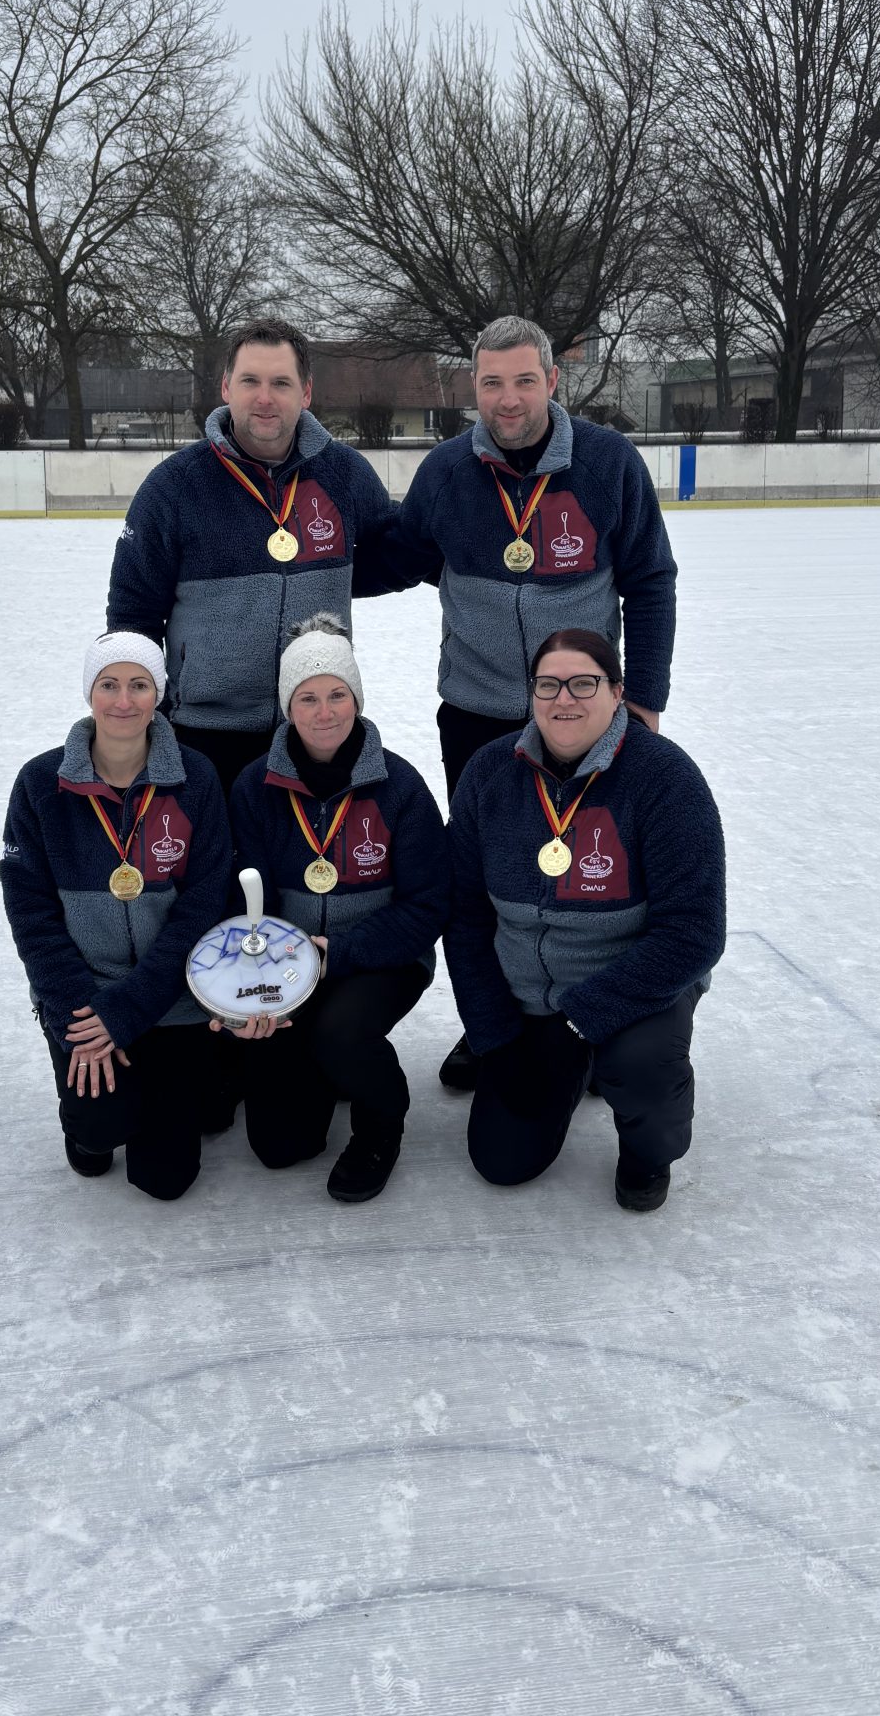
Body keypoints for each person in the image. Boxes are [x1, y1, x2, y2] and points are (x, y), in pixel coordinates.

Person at [391, 315, 679, 1092]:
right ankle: (492, 1025)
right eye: (492, 382)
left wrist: (644, 699)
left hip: (586, 714)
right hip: (478, 715)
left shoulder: (608, 463)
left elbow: (650, 580)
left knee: (599, 875)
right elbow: (397, 554)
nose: (508, 398)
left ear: (554, 381)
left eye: (524, 380)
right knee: (488, 882)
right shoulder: (448, 473)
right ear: (472, 387)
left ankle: (599, 1017)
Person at [444, 629, 724, 1213]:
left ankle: (648, 1152)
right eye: (548, 684)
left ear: (618, 693)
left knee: (642, 1068)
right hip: (528, 997)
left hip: (632, 985)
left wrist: (580, 1022)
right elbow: (465, 917)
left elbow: (694, 932)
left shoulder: (665, 778)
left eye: (583, 683)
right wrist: (495, 1034)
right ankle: (572, 1070)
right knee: (502, 1161)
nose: (563, 698)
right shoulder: (489, 773)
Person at [106, 318, 405, 798]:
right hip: (204, 736)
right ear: (226, 386)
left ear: (306, 392)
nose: (265, 398)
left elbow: (394, 554)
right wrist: (145, 720)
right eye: (250, 381)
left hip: (316, 729)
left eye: (281, 383)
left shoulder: (344, 474)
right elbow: (132, 616)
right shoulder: (175, 487)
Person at [223, 615, 448, 1202]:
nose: (325, 713)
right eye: (308, 698)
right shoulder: (254, 788)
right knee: (280, 1147)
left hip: (381, 959)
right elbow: (245, 897)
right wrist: (266, 975)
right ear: (287, 708)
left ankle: (381, 1119)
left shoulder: (400, 786)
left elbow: (429, 905)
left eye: (337, 695)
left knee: (342, 1032)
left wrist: (340, 951)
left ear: (357, 698)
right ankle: (321, 1070)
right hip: (288, 967)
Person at [0, 632, 232, 1199]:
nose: (123, 701)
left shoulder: (195, 779)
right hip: (83, 998)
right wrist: (82, 1012)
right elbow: (31, 914)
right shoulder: (40, 784)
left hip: (171, 996)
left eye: (139, 685)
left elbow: (201, 908)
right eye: (109, 685)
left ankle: (157, 1083)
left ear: (159, 695)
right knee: (99, 1132)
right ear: (89, 693)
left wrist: (129, 1009)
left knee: (166, 1179)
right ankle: (89, 1119)